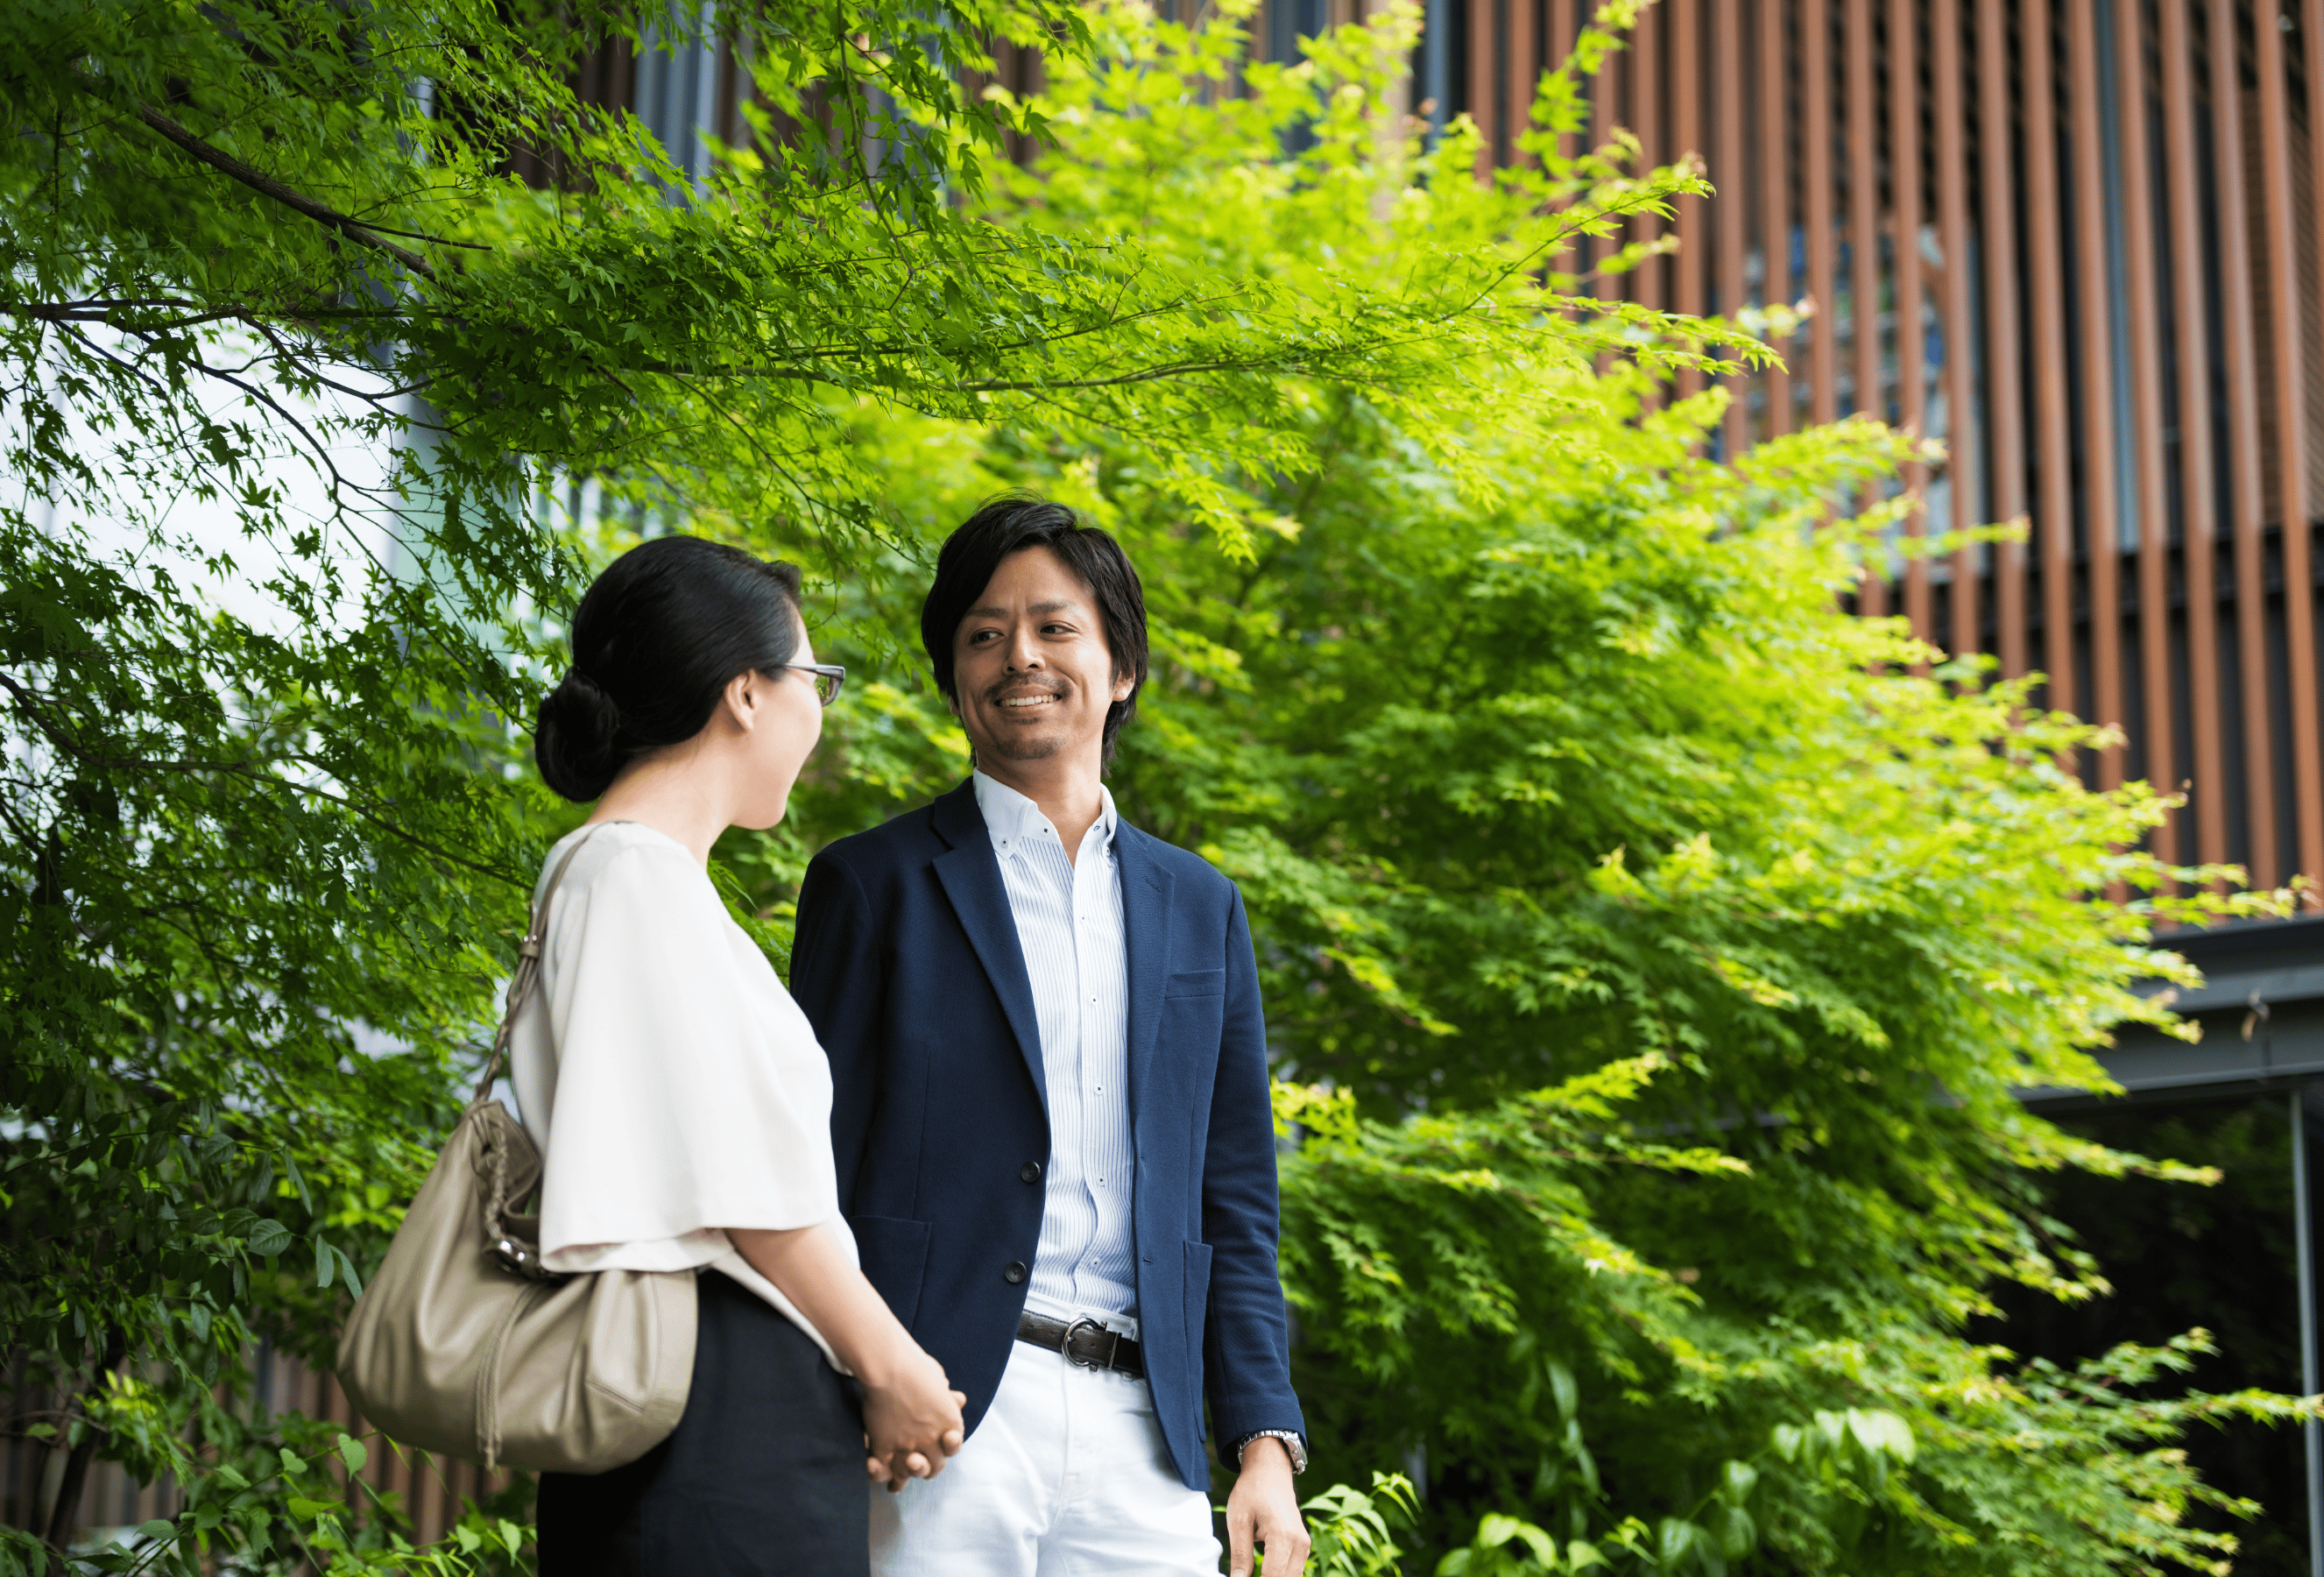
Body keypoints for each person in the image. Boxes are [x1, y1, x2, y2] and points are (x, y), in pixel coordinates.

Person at [791, 496, 1312, 1577]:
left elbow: (1235, 1200)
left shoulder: (1200, 906)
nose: (1018, 656)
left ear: (1120, 667)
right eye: (983, 635)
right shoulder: (871, 885)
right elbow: (811, 1174)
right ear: (953, 678)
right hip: (938, 1415)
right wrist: (857, 1380)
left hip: (1146, 1434)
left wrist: (1262, 1446)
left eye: (1054, 627)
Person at [517, 534, 966, 1577]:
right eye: (815, 678)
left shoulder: (631, 878)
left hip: (709, 1413)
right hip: (710, 1414)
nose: (819, 712)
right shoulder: (631, 874)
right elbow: (746, 1190)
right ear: (747, 694)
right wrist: (891, 1362)